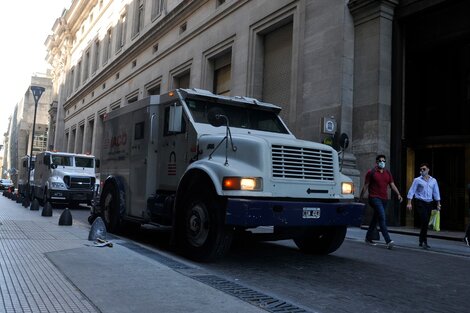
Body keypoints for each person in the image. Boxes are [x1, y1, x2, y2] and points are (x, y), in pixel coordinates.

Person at [360, 154, 403, 249]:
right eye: (380, 161)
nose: (382, 162)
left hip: (384, 199)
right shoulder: (371, 172)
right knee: (382, 217)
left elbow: (392, 184)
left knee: (376, 218)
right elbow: (366, 185)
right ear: (377, 162)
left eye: (384, 161)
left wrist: (398, 194)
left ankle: (368, 238)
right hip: (374, 198)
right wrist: (361, 198)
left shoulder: (387, 173)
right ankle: (388, 241)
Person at [406, 163, 441, 249]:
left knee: (425, 222)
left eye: (424, 169)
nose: (422, 171)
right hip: (420, 202)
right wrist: (409, 202)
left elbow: (436, 192)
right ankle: (424, 241)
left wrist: (438, 204)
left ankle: (421, 240)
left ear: (428, 170)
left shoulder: (433, 180)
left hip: (429, 203)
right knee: (425, 220)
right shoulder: (417, 180)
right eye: (421, 169)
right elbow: (412, 191)